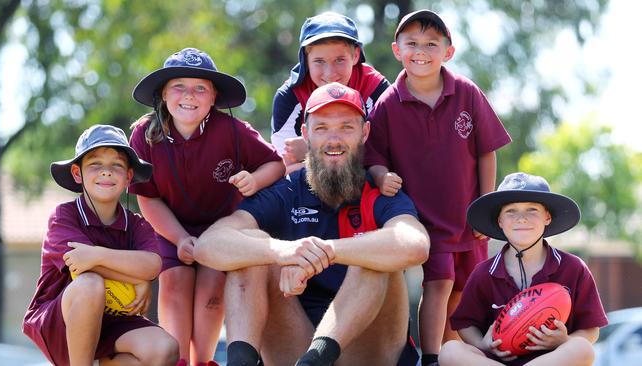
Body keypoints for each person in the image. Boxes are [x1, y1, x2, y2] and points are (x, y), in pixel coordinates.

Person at [194, 82, 430, 366]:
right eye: (321, 129)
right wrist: (283, 252)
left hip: (369, 353)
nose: (334, 139)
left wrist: (327, 251)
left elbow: (415, 245)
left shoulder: (381, 190)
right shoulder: (287, 191)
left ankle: (318, 359)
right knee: (250, 247)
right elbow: (208, 245)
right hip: (295, 349)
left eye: (346, 127)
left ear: (365, 133)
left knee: (375, 252)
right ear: (305, 134)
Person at [363, 9, 512, 365]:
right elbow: (372, 158)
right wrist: (383, 177)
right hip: (425, 219)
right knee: (439, 284)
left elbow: (486, 152)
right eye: (412, 43)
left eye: (432, 44)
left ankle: (456, 354)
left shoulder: (466, 93)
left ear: (449, 51)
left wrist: (484, 208)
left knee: (465, 290)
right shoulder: (388, 105)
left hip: (468, 218)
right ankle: (429, 357)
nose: (421, 51)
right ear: (397, 50)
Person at [130, 47, 285, 366]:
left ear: (214, 97)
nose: (190, 95)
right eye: (179, 86)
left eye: (200, 87)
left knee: (213, 290)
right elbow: (147, 196)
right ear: (163, 94)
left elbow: (275, 164)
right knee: (174, 284)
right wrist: (179, 239)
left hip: (221, 228)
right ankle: (178, 360)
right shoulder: (145, 135)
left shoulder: (232, 131)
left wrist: (254, 181)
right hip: (169, 226)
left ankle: (203, 361)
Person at [22, 124, 178, 366]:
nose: (106, 172)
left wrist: (98, 255)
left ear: (128, 177)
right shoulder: (65, 216)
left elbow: (152, 265)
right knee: (89, 284)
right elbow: (81, 266)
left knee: (165, 349)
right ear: (77, 173)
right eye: (95, 164)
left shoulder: (136, 224)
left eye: (116, 165)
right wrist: (136, 278)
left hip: (113, 320)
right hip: (63, 321)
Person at [438, 172, 608, 365]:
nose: (521, 218)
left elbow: (591, 330)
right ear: (499, 221)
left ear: (547, 217)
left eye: (532, 210)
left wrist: (564, 341)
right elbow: (465, 323)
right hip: (497, 361)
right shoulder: (484, 273)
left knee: (582, 348)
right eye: (511, 211)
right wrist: (483, 344)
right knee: (450, 350)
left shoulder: (573, 267)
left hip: (552, 360)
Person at [271, 11, 390, 174]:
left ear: (355, 55)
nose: (330, 73)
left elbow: (386, 152)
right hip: (306, 187)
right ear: (305, 59)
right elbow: (283, 168)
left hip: (364, 182)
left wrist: (310, 148)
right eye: (319, 61)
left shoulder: (375, 87)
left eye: (339, 60)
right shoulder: (290, 95)